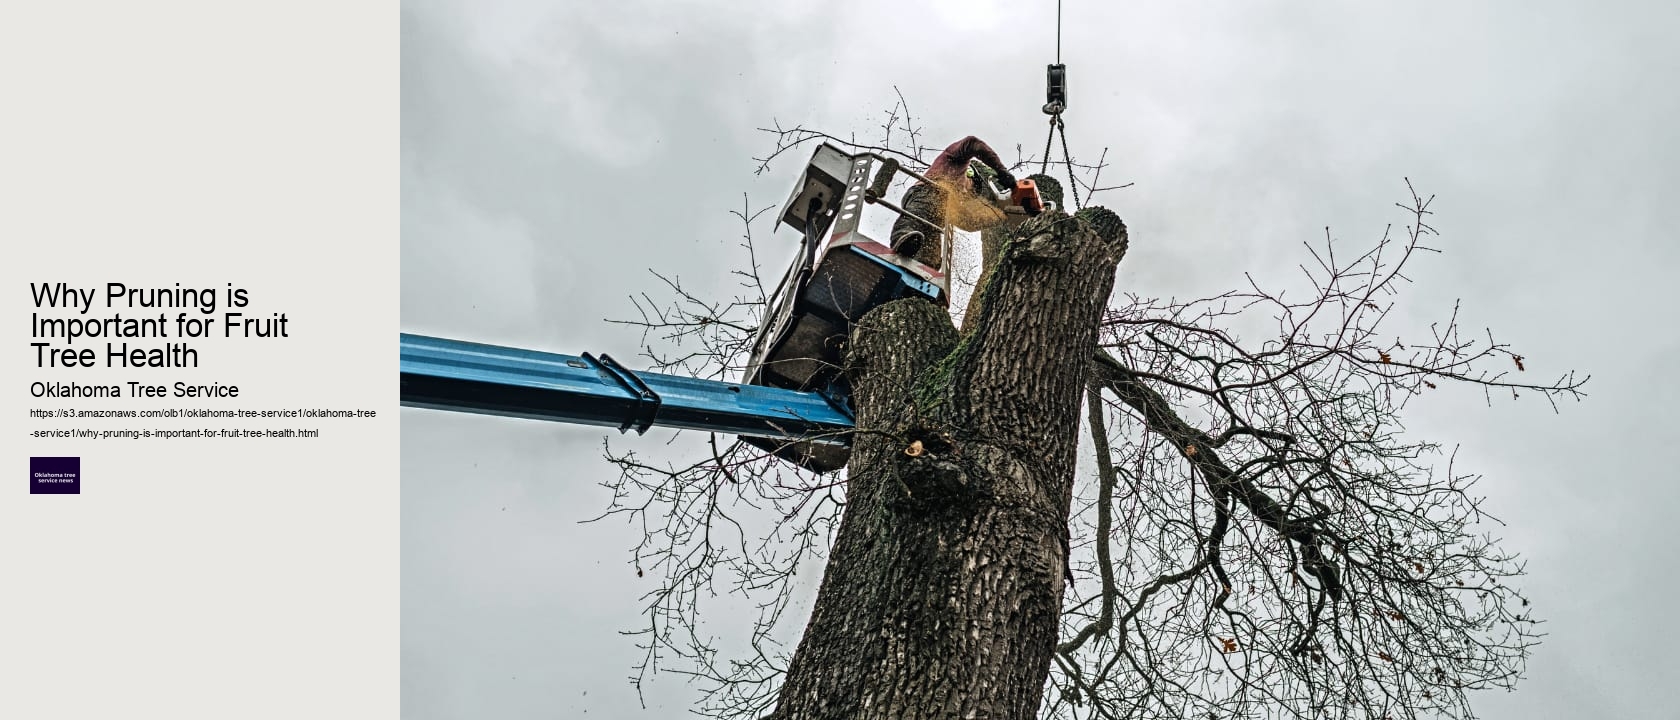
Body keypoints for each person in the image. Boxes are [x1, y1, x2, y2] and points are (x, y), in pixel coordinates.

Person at [889, 136, 1017, 270]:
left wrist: (1002, 216)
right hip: (926, 192)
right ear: (970, 175)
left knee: (930, 258)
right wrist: (1001, 170)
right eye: (972, 189)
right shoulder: (955, 160)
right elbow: (973, 143)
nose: (968, 194)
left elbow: (968, 222)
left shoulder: (953, 202)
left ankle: (922, 269)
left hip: (936, 219)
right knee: (916, 220)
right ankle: (902, 239)